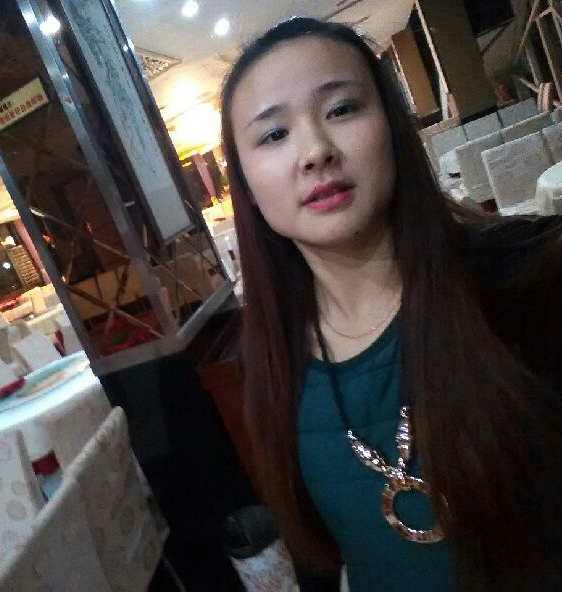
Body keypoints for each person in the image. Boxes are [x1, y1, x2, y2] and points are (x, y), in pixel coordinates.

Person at [220, 16, 562, 592]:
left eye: (342, 109)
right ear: (247, 185)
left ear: (393, 127)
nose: (315, 151)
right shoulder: (267, 359)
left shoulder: (522, 282)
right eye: (273, 135)